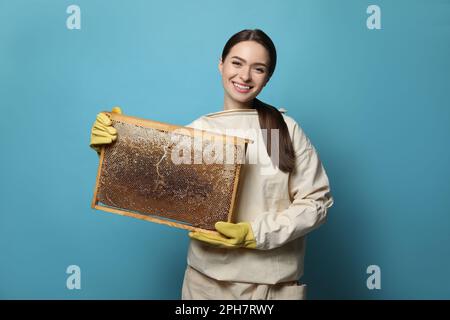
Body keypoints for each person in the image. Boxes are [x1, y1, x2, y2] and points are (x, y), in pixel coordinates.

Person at [89, 29, 333, 300]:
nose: (244, 76)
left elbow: (315, 203)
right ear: (221, 64)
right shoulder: (198, 133)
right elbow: (152, 185)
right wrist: (114, 146)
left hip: (271, 289)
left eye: (258, 68)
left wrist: (254, 234)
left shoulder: (278, 133)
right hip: (205, 286)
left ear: (268, 77)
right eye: (237, 63)